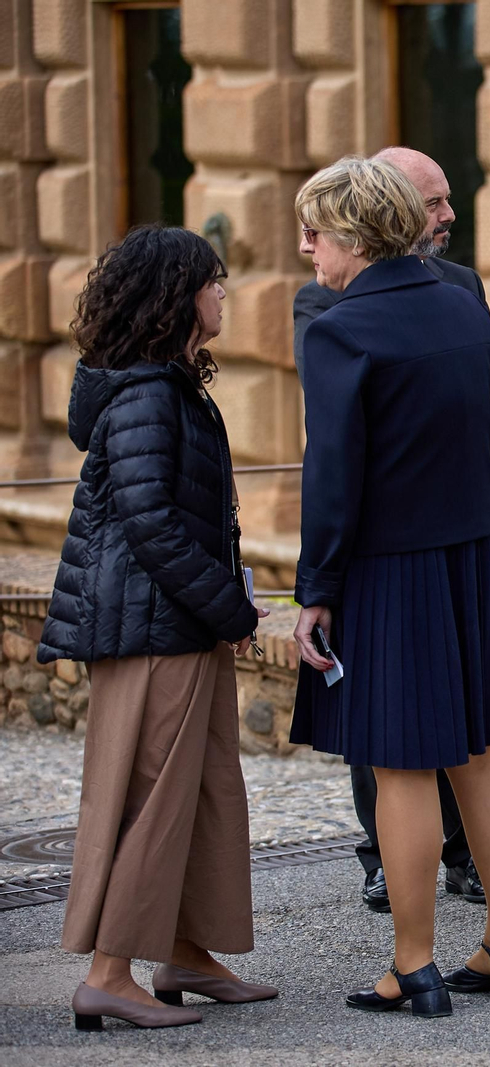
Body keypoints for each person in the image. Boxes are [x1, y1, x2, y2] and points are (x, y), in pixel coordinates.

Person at [288, 156, 490, 1014]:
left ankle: (415, 964)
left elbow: (333, 476)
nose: (307, 250)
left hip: (388, 569)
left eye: (314, 233)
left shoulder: (339, 327)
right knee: (476, 755)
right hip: (467, 557)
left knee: (400, 765)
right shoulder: (461, 307)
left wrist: (312, 590)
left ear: (353, 235)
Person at [36, 225, 276, 1029]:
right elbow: (151, 522)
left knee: (205, 793)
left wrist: (218, 612)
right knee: (151, 800)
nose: (222, 295)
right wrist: (232, 608)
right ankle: (110, 971)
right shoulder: (145, 394)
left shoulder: (168, 385)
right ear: (178, 295)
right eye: (213, 282)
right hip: (151, 629)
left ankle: (187, 950)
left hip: (180, 623)